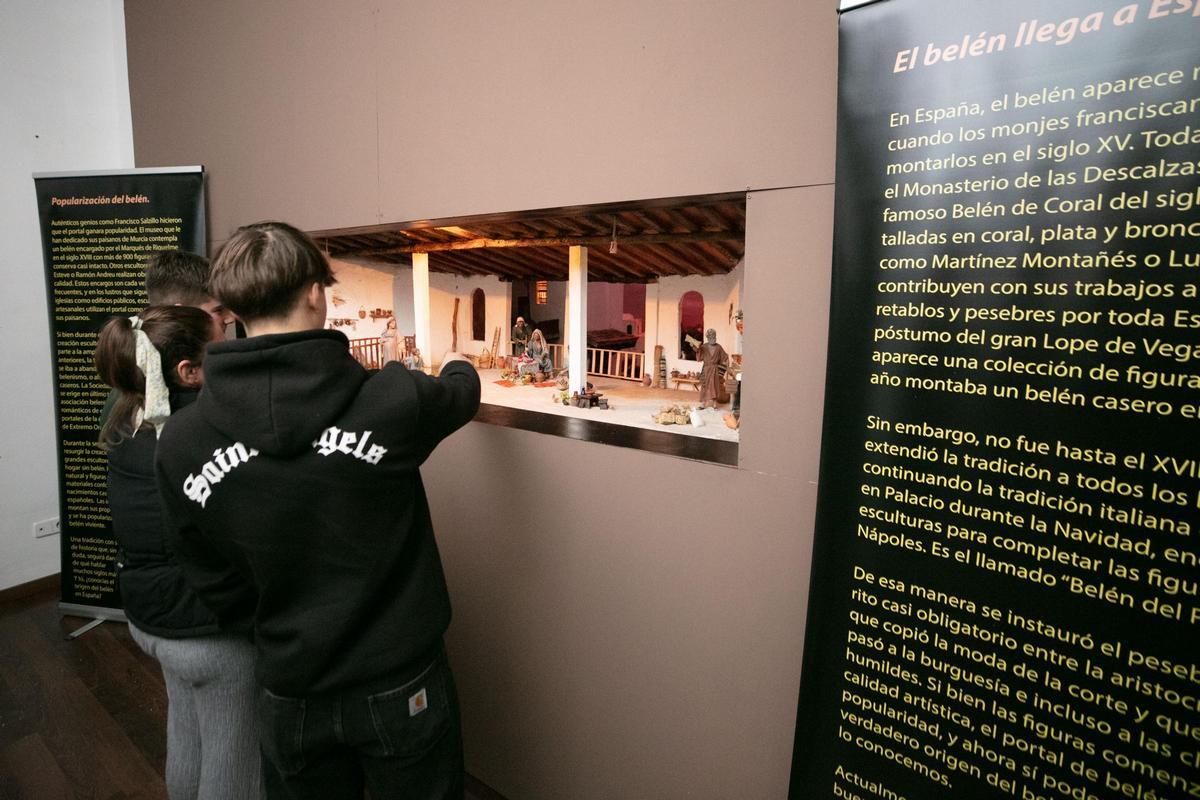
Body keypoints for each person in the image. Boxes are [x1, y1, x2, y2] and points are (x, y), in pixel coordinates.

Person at [154, 221, 481, 800]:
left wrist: (272, 627)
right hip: (400, 679)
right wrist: (456, 359)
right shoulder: (393, 400)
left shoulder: (181, 442)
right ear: (314, 293)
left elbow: (207, 573)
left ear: (230, 307)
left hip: (288, 684)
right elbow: (460, 392)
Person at [95, 305, 261, 800]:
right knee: (235, 769)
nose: (230, 350)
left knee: (187, 734)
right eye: (220, 344)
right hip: (207, 631)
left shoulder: (126, 419)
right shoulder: (201, 437)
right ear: (188, 372)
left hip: (151, 616)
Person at [695, 328, 730, 409]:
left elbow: (725, 357)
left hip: (714, 370)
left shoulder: (718, 347)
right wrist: (696, 349)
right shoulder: (704, 347)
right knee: (704, 386)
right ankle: (703, 404)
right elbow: (699, 356)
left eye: (714, 336)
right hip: (706, 369)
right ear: (708, 338)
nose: (713, 338)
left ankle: (714, 404)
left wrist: (725, 366)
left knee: (714, 386)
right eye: (711, 337)